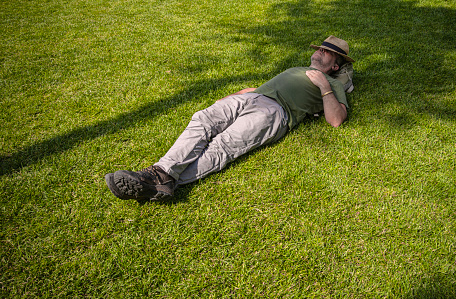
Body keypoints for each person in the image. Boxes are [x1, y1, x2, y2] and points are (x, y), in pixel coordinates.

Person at [105, 36, 355, 202]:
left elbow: (336, 120)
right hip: (252, 97)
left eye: (327, 53)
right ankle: (161, 174)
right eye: (320, 49)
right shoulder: (298, 69)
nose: (320, 53)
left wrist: (324, 86)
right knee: (202, 119)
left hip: (275, 112)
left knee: (223, 145)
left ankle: (160, 179)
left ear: (335, 66)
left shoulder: (333, 83)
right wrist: (238, 95)